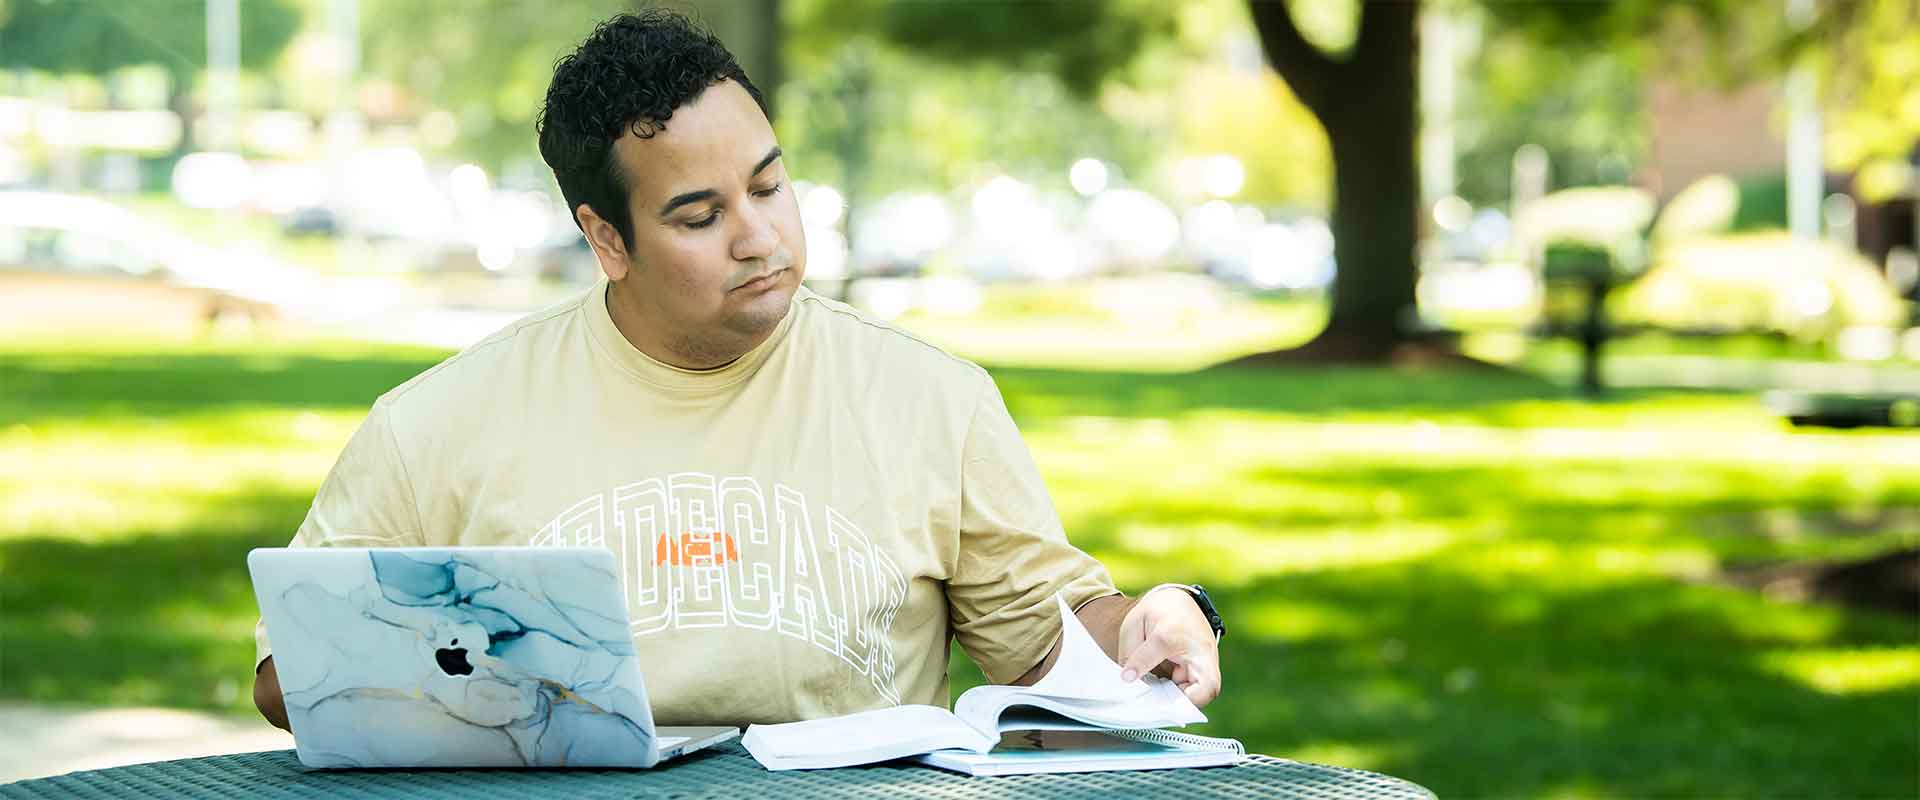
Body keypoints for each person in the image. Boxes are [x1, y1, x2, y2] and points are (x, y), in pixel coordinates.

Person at [253, 9, 1223, 733]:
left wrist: (1160, 614)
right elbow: (291, 676)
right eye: (699, 215)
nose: (760, 236)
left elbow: (1050, 640)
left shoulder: (935, 399)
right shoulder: (436, 423)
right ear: (607, 238)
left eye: (769, 184)